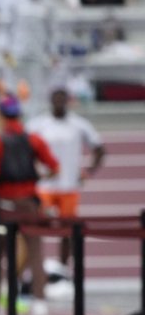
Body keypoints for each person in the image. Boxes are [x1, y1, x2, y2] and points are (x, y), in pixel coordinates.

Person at [0, 94, 58, 315]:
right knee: (35, 252)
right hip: (28, 204)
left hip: (4, 205)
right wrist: (37, 176)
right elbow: (54, 167)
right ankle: (40, 302)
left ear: (2, 115)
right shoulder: (33, 139)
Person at [26, 87, 104, 267]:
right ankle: (34, 269)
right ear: (51, 101)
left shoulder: (79, 124)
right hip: (44, 187)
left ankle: (63, 268)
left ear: (68, 101)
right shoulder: (38, 124)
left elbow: (99, 149)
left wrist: (88, 171)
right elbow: (23, 149)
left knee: (67, 231)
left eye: (63, 99)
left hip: (69, 187)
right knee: (35, 228)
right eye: (56, 98)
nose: (59, 102)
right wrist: (34, 172)